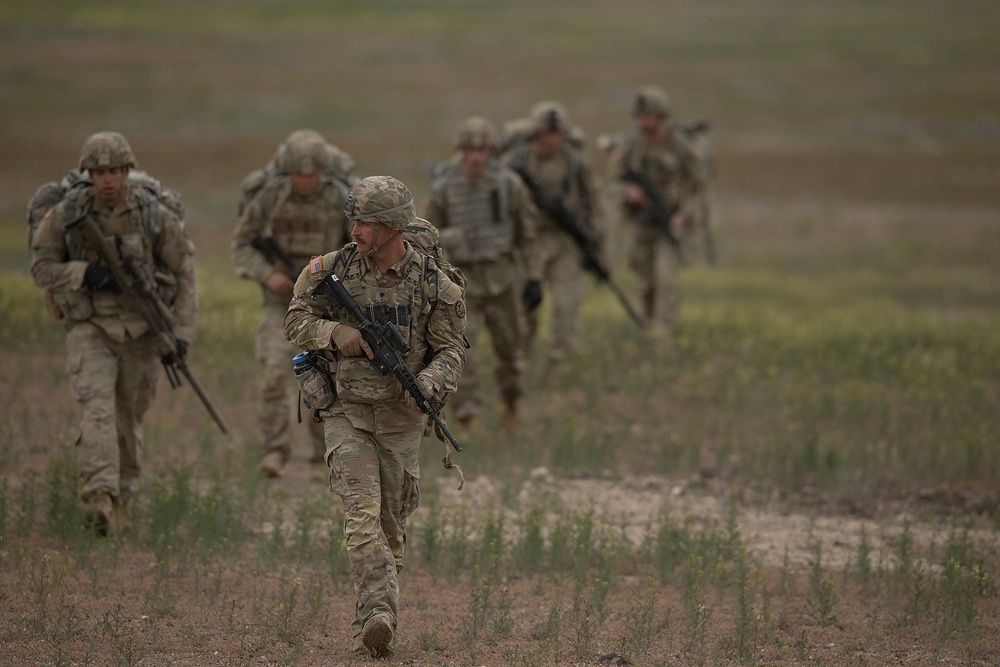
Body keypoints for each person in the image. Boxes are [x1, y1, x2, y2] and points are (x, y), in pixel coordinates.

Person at [284, 175, 467, 657]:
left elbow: (451, 351)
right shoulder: (333, 269)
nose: (355, 230)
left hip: (403, 418)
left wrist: (428, 383)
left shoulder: (434, 283)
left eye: (364, 222)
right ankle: (376, 618)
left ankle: (379, 615)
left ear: (392, 227)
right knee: (361, 517)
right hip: (346, 410)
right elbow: (295, 318)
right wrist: (333, 333)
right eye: (353, 220)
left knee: (391, 526)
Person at [29, 131, 199, 535]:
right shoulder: (67, 215)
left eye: (114, 171)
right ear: (89, 173)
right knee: (98, 408)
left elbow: (185, 274)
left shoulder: (154, 216)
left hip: (142, 331)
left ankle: (122, 497)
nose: (107, 180)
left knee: (128, 417)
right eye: (99, 171)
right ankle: (99, 495)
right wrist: (83, 272)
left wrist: (181, 334)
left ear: (127, 171)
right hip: (90, 326)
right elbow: (41, 268)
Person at [231, 129, 352, 478]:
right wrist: (268, 275)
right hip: (279, 304)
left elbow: (357, 250)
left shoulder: (337, 199)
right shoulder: (271, 197)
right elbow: (242, 244)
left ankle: (323, 455)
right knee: (273, 374)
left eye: (311, 174)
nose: (304, 180)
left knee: (327, 379)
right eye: (298, 174)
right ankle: (274, 451)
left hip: (325, 307)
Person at [423, 116, 543, 431]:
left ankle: (511, 404)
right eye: (470, 150)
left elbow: (527, 234)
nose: (476, 156)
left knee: (510, 350)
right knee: (462, 350)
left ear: (491, 151)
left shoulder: (508, 185)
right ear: (461, 151)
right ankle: (467, 414)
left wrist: (533, 278)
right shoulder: (444, 188)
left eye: (482, 150)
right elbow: (425, 236)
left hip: (503, 280)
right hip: (463, 283)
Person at [500, 101, 605, 372]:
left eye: (557, 134)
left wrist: (596, 241)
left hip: (564, 240)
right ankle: (520, 359)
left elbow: (592, 200)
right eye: (547, 134)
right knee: (526, 305)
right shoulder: (516, 162)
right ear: (536, 135)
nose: (552, 140)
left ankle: (561, 363)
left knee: (567, 302)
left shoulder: (574, 160)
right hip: (529, 241)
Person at [615, 86, 709, 333]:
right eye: (640, 117)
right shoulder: (632, 147)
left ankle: (664, 333)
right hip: (643, 222)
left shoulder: (681, 147)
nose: (643, 123)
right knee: (646, 284)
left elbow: (699, 188)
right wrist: (627, 193)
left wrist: (683, 215)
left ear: (661, 117)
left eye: (649, 117)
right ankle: (647, 328)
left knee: (666, 278)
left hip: (672, 222)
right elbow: (612, 181)